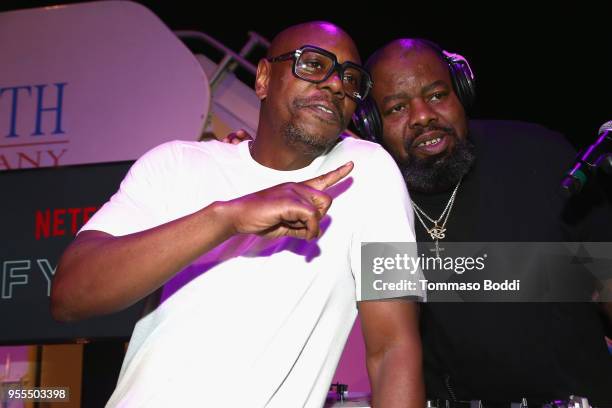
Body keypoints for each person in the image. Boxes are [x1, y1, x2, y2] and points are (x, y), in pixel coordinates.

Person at [50, 23, 425, 407]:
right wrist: (226, 218)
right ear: (263, 78)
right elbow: (70, 296)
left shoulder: (369, 173)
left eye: (350, 79)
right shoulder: (176, 163)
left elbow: (393, 348)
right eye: (313, 64)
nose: (334, 85)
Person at [356, 38, 612, 406]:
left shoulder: (539, 153)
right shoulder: (369, 204)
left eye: (437, 95)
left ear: (461, 92)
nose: (423, 115)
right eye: (397, 107)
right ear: (371, 124)